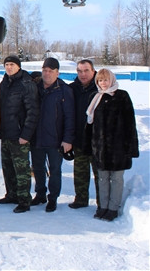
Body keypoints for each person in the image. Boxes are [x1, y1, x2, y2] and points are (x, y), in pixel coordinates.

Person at [84, 68, 139, 222]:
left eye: (106, 80)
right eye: (100, 80)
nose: (103, 83)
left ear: (112, 80)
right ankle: (103, 206)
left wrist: (131, 147)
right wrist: (89, 145)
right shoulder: (95, 98)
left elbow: (130, 123)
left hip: (118, 148)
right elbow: (89, 125)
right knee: (102, 178)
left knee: (116, 178)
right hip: (100, 148)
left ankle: (113, 208)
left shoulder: (122, 96)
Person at [30, 58, 75, 212]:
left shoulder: (64, 90)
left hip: (55, 139)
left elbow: (70, 117)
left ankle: (53, 198)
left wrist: (67, 139)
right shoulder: (35, 88)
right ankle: (40, 194)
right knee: (38, 168)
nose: (47, 74)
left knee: (55, 169)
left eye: (50, 71)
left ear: (57, 73)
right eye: (45, 70)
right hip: (37, 137)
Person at [0, 55, 39, 213]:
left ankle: (24, 200)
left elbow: (32, 111)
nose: (9, 67)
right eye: (6, 64)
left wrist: (26, 134)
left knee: (21, 170)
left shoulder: (26, 84)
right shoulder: (5, 83)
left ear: (18, 66)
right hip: (6, 134)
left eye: (12, 64)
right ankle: (12, 194)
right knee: (8, 167)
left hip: (19, 135)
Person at [68, 59, 100, 209]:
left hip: (97, 141)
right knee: (80, 172)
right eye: (79, 71)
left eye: (86, 71)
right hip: (79, 139)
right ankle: (81, 199)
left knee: (100, 174)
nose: (83, 74)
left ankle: (102, 201)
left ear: (93, 71)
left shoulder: (101, 88)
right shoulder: (72, 89)